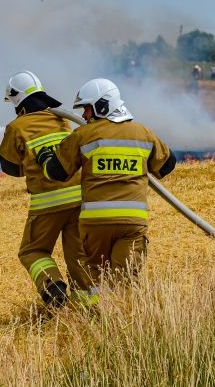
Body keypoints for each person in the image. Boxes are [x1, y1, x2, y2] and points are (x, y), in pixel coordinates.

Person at [37, 78, 176, 304]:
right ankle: (122, 323)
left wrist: (45, 158)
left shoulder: (83, 136)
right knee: (125, 281)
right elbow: (168, 165)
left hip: (95, 225)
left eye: (87, 109)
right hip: (131, 224)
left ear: (102, 106)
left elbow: (56, 173)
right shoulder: (143, 133)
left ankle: (97, 320)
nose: (83, 116)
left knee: (97, 281)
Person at [0, 71, 87, 308]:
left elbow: (11, 168)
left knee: (32, 251)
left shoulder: (16, 127)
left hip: (47, 203)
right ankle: (87, 307)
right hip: (80, 200)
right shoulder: (62, 120)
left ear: (16, 99)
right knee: (78, 257)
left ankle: (53, 286)